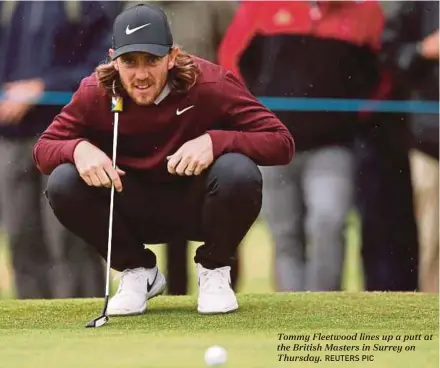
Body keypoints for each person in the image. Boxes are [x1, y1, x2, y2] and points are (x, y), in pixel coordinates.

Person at [33, 4, 294, 315]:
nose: (141, 74)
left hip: (198, 206)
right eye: (129, 61)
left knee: (238, 170)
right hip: (132, 208)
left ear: (172, 57)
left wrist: (216, 141)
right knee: (63, 180)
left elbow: (281, 142)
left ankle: (214, 270)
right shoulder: (96, 92)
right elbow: (44, 149)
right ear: (114, 58)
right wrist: (76, 149)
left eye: (152, 60)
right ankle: (137, 272)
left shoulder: (211, 84)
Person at [219, 1, 383, 291]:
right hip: (274, 147)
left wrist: (357, 115)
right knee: (285, 235)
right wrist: (253, 117)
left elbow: (381, 74)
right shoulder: (262, 6)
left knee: (328, 222)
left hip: (333, 146)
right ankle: (293, 312)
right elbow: (230, 60)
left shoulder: (365, 11)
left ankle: (324, 309)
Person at [0, 1, 121, 299]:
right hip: (14, 137)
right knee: (21, 237)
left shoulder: (92, 4)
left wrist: (42, 86)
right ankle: (34, 327)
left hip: (69, 135)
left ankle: (86, 324)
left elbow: (106, 64)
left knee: (69, 240)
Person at [142, 0, 239, 296]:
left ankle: (222, 284)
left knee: (225, 202)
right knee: (172, 214)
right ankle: (177, 294)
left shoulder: (215, 5)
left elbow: (234, 52)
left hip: (207, 121)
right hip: (155, 125)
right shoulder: (136, 7)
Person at [380, 0, 439, 292]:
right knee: (432, 236)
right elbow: (390, 55)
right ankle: (433, 312)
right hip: (431, 143)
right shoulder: (419, 5)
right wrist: (422, 51)